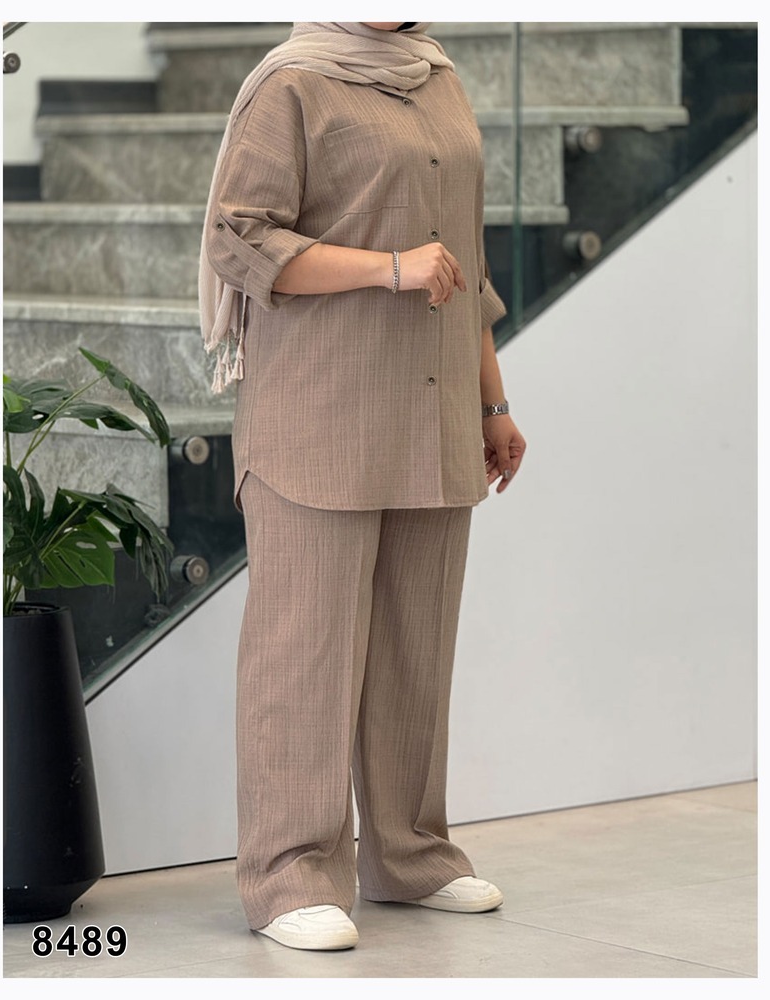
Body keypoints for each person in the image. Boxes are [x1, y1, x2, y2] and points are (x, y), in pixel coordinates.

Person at [199, 21, 526, 952]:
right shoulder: (293, 84)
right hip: (319, 413)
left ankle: (410, 856)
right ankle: (288, 875)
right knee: (304, 656)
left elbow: (467, 264)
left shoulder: (438, 76)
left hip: (432, 411)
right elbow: (239, 240)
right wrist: (389, 268)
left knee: (417, 650)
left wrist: (494, 403)